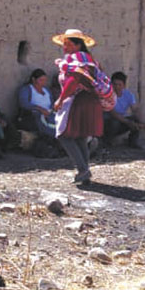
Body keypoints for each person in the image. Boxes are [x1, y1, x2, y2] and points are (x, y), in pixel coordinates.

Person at [51, 29, 105, 185]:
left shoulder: (77, 59)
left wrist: (61, 99)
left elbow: (74, 80)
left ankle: (83, 169)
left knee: (64, 135)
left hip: (78, 101)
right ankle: (85, 172)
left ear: (78, 45)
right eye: (64, 44)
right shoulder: (88, 59)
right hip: (89, 101)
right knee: (80, 136)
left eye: (68, 44)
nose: (64, 47)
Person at [16, 68, 63, 157]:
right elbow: (24, 103)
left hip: (48, 114)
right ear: (33, 80)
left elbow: (52, 104)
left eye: (45, 80)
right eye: (41, 80)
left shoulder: (46, 91)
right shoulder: (26, 89)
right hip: (34, 115)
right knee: (44, 123)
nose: (43, 82)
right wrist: (40, 109)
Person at [101, 71, 145, 149]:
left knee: (135, 119)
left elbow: (135, 109)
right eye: (115, 84)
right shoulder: (107, 95)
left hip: (121, 121)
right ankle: (106, 142)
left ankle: (132, 142)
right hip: (109, 123)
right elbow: (112, 113)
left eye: (119, 85)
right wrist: (129, 122)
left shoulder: (128, 95)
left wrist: (141, 122)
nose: (117, 87)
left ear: (124, 85)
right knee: (114, 121)